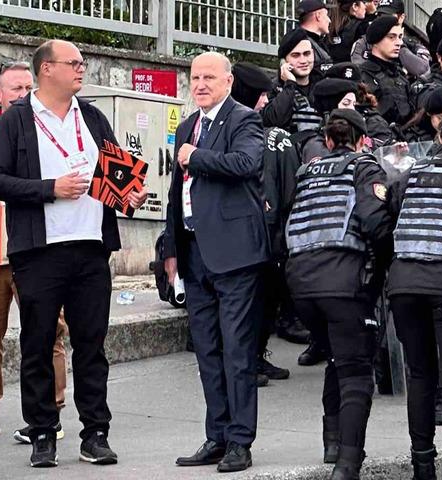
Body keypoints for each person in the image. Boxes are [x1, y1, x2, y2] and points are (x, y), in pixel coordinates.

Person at [0, 39, 147, 469]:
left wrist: (131, 193)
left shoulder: (91, 117)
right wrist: (49, 190)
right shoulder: (17, 120)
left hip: (91, 248)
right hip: (40, 251)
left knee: (92, 345)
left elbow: (117, 176)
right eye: (73, 62)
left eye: (82, 61)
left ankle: (95, 433)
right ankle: (42, 433)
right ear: (46, 70)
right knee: (38, 343)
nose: (81, 68)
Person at [164, 52, 268, 474]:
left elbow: (246, 163)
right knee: (206, 350)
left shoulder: (243, 119)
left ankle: (241, 440)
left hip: (235, 253)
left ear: (227, 82)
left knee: (237, 351)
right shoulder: (188, 125)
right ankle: (218, 435)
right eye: (195, 77)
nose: (201, 84)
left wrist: (194, 156)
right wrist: (169, 249)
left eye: (209, 77)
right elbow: (176, 193)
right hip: (194, 252)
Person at [0, 61, 69, 444]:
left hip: (36, 252)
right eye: (15, 89)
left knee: (47, 336)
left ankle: (49, 411)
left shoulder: (48, 132)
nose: (22, 95)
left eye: (28, 88)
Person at [285, 109, 394, 479]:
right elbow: (375, 221)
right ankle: (348, 465)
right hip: (344, 282)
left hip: (301, 284)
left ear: (328, 141)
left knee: (336, 356)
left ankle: (332, 441)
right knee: (356, 372)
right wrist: (382, 270)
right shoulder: (364, 166)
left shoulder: (305, 173)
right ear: (363, 140)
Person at [387, 114, 442, 480]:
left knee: (420, 377)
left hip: (405, 284)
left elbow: (392, 211)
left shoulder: (412, 173)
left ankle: (422, 467)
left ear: (440, 135)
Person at [231, 62, 299, 382]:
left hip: (266, 224)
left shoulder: (254, 127)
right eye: (260, 96)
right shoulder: (232, 128)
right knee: (248, 300)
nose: (264, 102)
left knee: (267, 296)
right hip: (243, 228)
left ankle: (256, 357)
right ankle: (244, 363)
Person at [262, 28, 324, 137]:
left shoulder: (324, 84)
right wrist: (289, 84)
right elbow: (274, 121)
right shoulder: (273, 89)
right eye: (296, 55)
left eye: (307, 54)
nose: (303, 61)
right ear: (284, 61)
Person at [360, 16, 415, 127]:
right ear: (376, 40)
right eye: (391, 37)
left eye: (400, 37)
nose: (399, 43)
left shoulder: (400, 74)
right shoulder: (364, 75)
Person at [298, 0, 335, 73]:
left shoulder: (316, 41)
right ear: (318, 16)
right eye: (327, 15)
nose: (329, 20)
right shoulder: (302, 43)